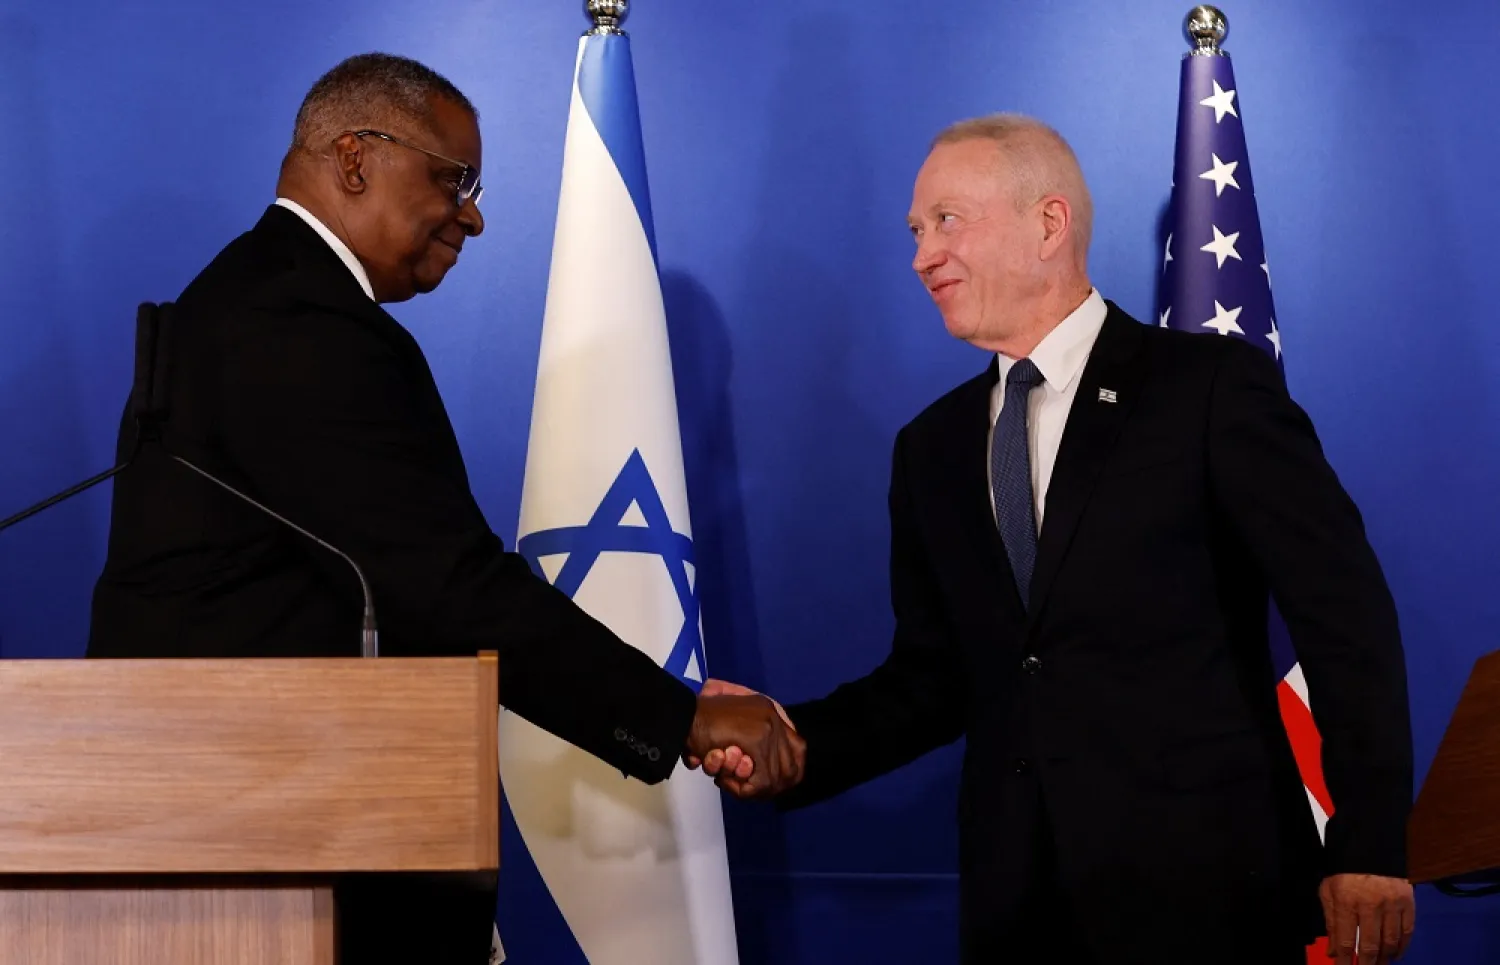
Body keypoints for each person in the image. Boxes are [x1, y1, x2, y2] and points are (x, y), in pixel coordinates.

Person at [87, 53, 802, 964]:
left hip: (263, 839)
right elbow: (447, 584)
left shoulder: (249, 297)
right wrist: (681, 715)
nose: (473, 212)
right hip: (274, 851)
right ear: (354, 158)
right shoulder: (300, 323)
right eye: (452, 178)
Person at [695, 114, 1414, 965]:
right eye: (918, 232)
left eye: (948, 222)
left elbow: (1344, 616)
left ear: (1048, 224)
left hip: (1211, 900)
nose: (922, 257)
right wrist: (795, 743)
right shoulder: (930, 448)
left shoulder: (1208, 391)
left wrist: (1368, 842)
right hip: (1018, 910)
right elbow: (934, 679)